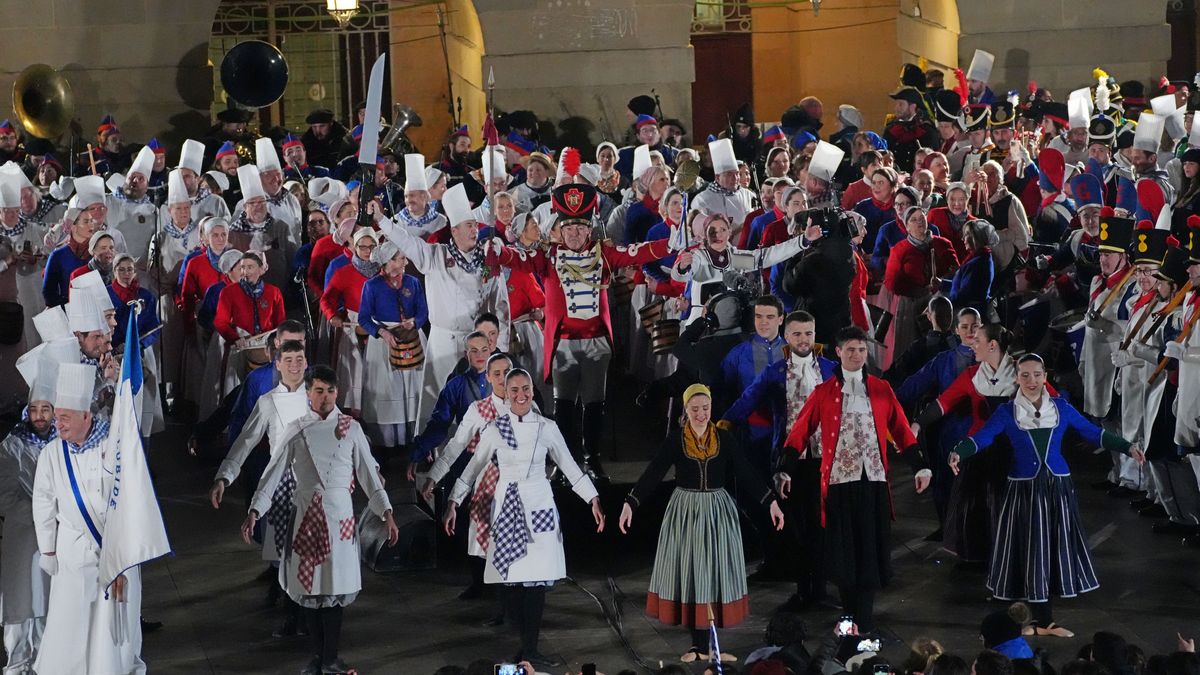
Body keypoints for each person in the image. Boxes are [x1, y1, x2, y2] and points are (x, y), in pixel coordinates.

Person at [491, 182, 677, 480]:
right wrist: (497, 250)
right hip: (562, 342)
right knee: (564, 406)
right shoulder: (547, 256)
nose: (575, 234)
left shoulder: (603, 253)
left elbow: (637, 254)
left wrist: (673, 241)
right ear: (559, 231)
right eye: (569, 228)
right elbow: (517, 259)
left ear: (589, 230)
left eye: (580, 228)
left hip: (596, 343)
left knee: (594, 403)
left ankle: (592, 459)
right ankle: (565, 463)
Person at [949, 354, 1141, 637]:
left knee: (1050, 550)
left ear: (1045, 377)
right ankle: (1020, 619)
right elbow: (983, 437)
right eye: (1025, 375)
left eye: (1037, 374)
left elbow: (1093, 433)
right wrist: (959, 451)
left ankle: (1044, 619)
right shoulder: (1007, 412)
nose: (1031, 381)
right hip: (1023, 491)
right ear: (1016, 378)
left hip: (1056, 490)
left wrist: (1128, 448)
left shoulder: (1061, 408)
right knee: (1023, 550)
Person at [243, 365, 398, 675]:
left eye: (330, 391)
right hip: (306, 517)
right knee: (311, 590)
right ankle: (318, 656)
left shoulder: (351, 428)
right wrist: (255, 511)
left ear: (336, 393)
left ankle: (331, 657)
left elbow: (369, 474)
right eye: (318, 391)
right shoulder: (297, 430)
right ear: (308, 394)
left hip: (339, 516)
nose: (325, 398)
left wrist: (387, 513)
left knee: (335, 590)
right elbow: (272, 474)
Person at [445, 368, 603, 668]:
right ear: (505, 390)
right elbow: (472, 468)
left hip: (540, 502)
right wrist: (453, 501)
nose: (520, 395)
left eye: (526, 389)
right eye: (514, 389)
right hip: (507, 505)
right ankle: (522, 641)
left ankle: (531, 647)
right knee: (511, 579)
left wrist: (592, 498)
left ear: (532, 391)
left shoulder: (546, 427)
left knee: (536, 579)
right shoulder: (494, 428)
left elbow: (569, 465)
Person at [782, 326, 930, 634]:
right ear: (837, 352)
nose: (857, 355)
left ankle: (863, 618)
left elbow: (901, 430)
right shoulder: (823, 393)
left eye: (861, 350)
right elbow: (799, 432)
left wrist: (920, 466)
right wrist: (784, 467)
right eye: (850, 350)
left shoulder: (880, 388)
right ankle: (851, 615)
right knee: (845, 555)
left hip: (873, 483)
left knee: (869, 553)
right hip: (838, 485)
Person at [621, 383, 784, 662]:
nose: (701, 414)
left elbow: (746, 472)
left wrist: (770, 501)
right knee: (693, 574)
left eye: (705, 408)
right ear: (686, 410)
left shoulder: (723, 438)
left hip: (717, 510)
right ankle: (696, 644)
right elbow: (655, 472)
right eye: (695, 409)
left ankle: (712, 643)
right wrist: (630, 502)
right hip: (686, 511)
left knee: (716, 573)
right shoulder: (676, 440)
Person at [32, 362, 145, 674]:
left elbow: (135, 499)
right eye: (56, 418)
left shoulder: (116, 447)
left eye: (65, 418)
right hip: (71, 560)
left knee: (114, 633)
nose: (58, 425)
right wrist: (49, 550)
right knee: (70, 628)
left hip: (116, 558)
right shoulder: (52, 454)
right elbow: (43, 501)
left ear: (86, 415)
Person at [721, 310, 837, 606]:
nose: (803, 340)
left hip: (824, 459)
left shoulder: (829, 368)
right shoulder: (774, 372)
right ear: (787, 336)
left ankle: (819, 592)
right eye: (797, 334)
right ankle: (802, 590)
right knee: (796, 526)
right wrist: (722, 425)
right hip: (788, 461)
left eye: (808, 333)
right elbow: (748, 399)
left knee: (821, 526)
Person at [376, 183, 510, 430]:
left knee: (478, 399)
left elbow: (500, 306)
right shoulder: (436, 256)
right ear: (454, 231)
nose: (474, 230)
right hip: (444, 340)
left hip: (477, 343)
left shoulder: (489, 261)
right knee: (438, 397)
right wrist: (381, 219)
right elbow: (406, 242)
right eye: (468, 226)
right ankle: (433, 453)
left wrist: (500, 346)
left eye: (475, 225)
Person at [914, 323, 1031, 565]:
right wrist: (917, 424)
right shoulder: (971, 376)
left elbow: (1053, 401)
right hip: (979, 452)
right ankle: (984, 558)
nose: (971, 343)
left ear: (992, 345)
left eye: (977, 340)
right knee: (978, 507)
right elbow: (942, 403)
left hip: (1014, 454)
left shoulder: (1023, 373)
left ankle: (1012, 557)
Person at [422, 352, 515, 600]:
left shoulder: (525, 405)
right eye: (497, 373)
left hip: (518, 484)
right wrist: (434, 477)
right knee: (481, 536)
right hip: (485, 482)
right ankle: (482, 586)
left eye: (507, 372)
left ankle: (512, 598)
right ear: (488, 377)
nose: (502, 378)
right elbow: (456, 446)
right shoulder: (479, 410)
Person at [0, 349, 60, 674]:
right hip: (22, 539)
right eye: (34, 409)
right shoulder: (11, 446)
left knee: (46, 605)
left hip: (53, 540)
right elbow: (5, 496)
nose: (39, 416)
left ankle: (43, 662)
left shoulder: (61, 446)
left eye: (45, 410)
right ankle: (16, 664)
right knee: (19, 605)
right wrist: (39, 513)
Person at [357, 241, 428, 450]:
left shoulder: (412, 282)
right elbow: (364, 318)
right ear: (387, 262)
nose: (404, 262)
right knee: (390, 388)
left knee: (414, 386)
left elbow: (424, 311)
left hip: (412, 338)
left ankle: (416, 439)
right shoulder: (372, 286)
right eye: (400, 258)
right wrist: (382, 332)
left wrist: (414, 322)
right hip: (384, 343)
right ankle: (389, 444)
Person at [881, 206, 959, 370]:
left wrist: (943, 280)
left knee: (940, 345)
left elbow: (956, 272)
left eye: (922, 218)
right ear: (907, 226)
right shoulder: (900, 250)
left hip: (939, 302)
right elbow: (891, 282)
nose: (919, 223)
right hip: (911, 304)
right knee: (911, 345)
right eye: (913, 220)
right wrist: (916, 289)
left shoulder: (942, 244)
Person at [320, 227, 379, 415]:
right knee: (354, 372)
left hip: (379, 326)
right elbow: (327, 299)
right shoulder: (344, 272)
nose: (368, 251)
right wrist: (332, 315)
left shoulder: (384, 271)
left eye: (372, 246)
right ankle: (355, 414)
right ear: (355, 248)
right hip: (353, 326)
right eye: (363, 247)